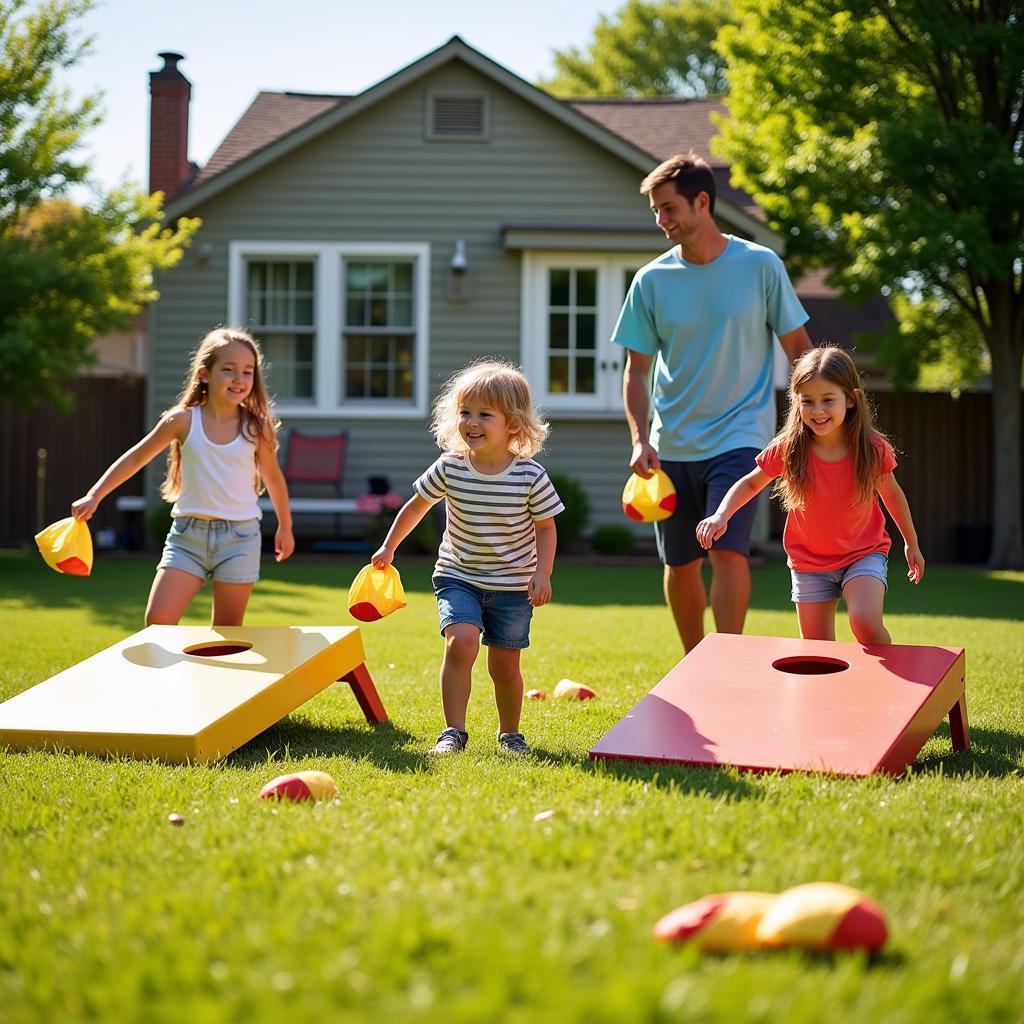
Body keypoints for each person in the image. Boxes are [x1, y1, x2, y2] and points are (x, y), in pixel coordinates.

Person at [612, 152, 813, 653]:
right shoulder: (651, 281)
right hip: (672, 443)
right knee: (679, 564)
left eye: (669, 208)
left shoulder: (761, 266)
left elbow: (801, 354)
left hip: (741, 437)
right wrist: (639, 439)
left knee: (727, 550)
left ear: (702, 202)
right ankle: (693, 662)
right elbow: (635, 371)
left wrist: (804, 426)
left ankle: (726, 661)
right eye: (656, 211)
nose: (661, 220)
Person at [371, 360, 564, 756]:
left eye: (484, 414)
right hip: (458, 575)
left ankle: (510, 734)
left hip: (513, 586)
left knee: (504, 667)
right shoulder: (451, 467)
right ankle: (453, 732)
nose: (471, 422)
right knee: (460, 644)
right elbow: (416, 506)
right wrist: (389, 547)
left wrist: (543, 573)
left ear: (513, 424)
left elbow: (546, 528)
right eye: (465, 413)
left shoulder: (530, 475)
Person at [696, 346, 924, 644]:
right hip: (809, 564)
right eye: (808, 401)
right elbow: (751, 483)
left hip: (862, 553)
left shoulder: (871, 448)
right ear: (796, 402)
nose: (817, 411)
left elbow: (892, 495)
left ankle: (893, 679)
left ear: (851, 399)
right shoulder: (789, 448)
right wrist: (721, 514)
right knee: (817, 651)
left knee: (865, 623)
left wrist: (911, 542)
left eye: (828, 400)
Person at [72, 327, 293, 626]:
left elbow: (274, 478)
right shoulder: (182, 420)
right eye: (228, 370)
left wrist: (285, 526)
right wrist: (95, 494)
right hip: (188, 537)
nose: (239, 379)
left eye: (247, 371)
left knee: (227, 634)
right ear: (204, 373)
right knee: (158, 621)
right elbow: (137, 458)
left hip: (241, 538)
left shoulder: (257, 426)